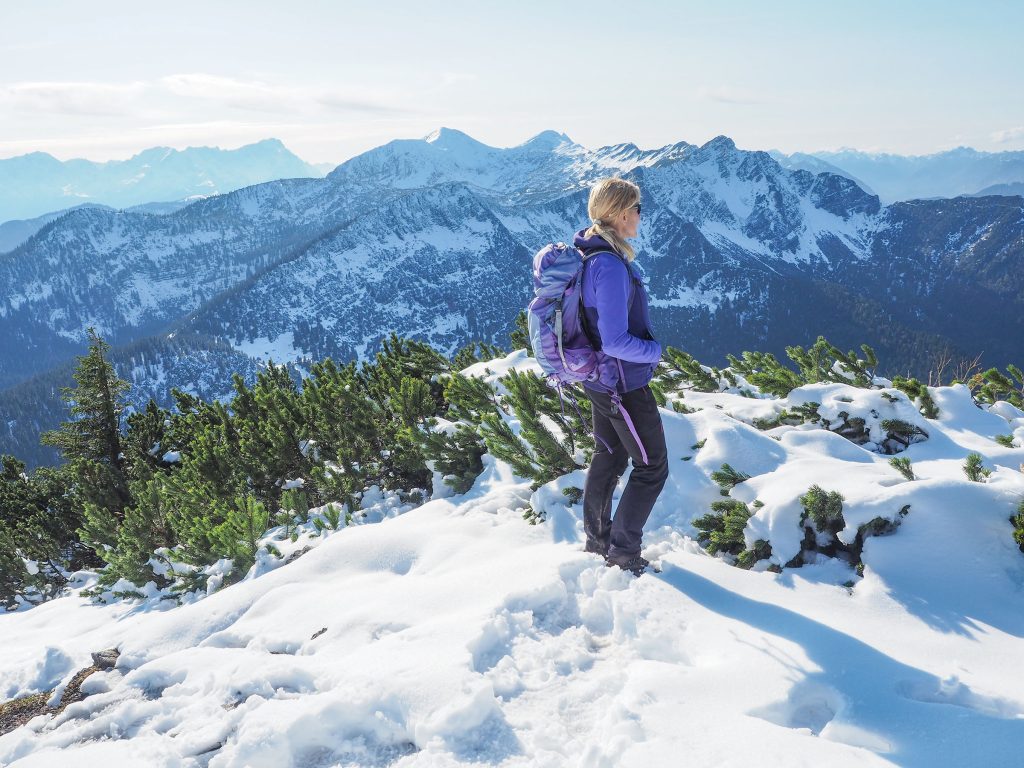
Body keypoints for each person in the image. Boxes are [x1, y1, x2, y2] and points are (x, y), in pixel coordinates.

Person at [575, 177, 668, 575]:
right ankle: (623, 552)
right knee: (652, 467)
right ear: (619, 213)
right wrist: (653, 351)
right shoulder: (608, 266)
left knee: (609, 456)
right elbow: (614, 340)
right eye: (637, 208)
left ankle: (599, 542)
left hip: (600, 380)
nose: (640, 216)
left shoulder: (590, 255)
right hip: (622, 383)